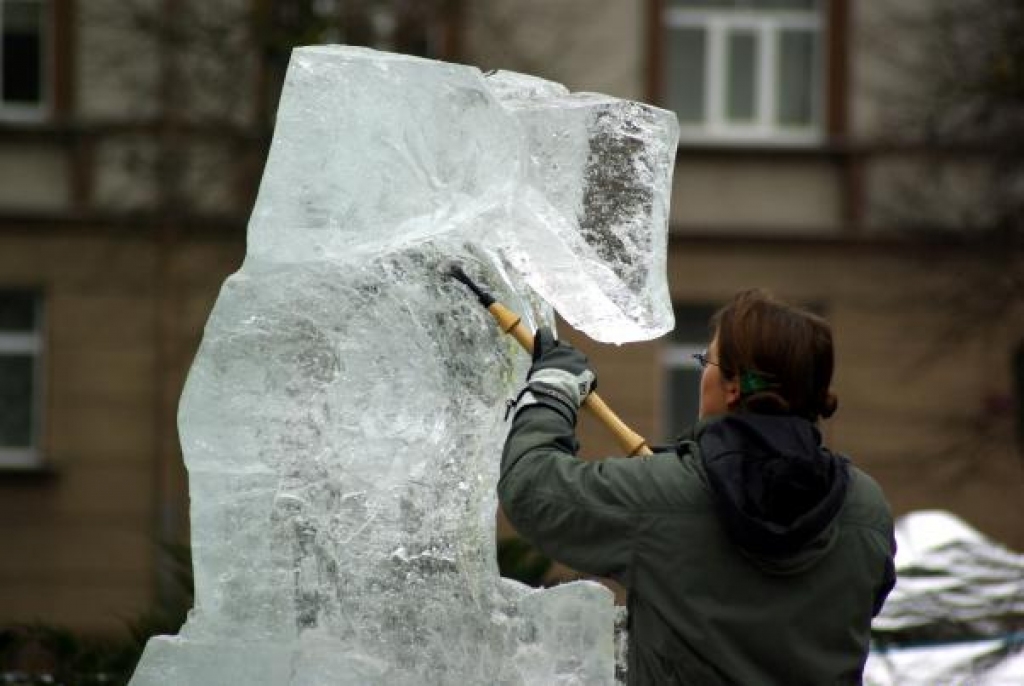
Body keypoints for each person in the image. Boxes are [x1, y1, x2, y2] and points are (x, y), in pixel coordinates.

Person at [498, 288, 897, 685]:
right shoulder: (866, 510)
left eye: (707, 360)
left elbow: (531, 487)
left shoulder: (661, 497)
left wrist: (552, 388)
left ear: (733, 386)